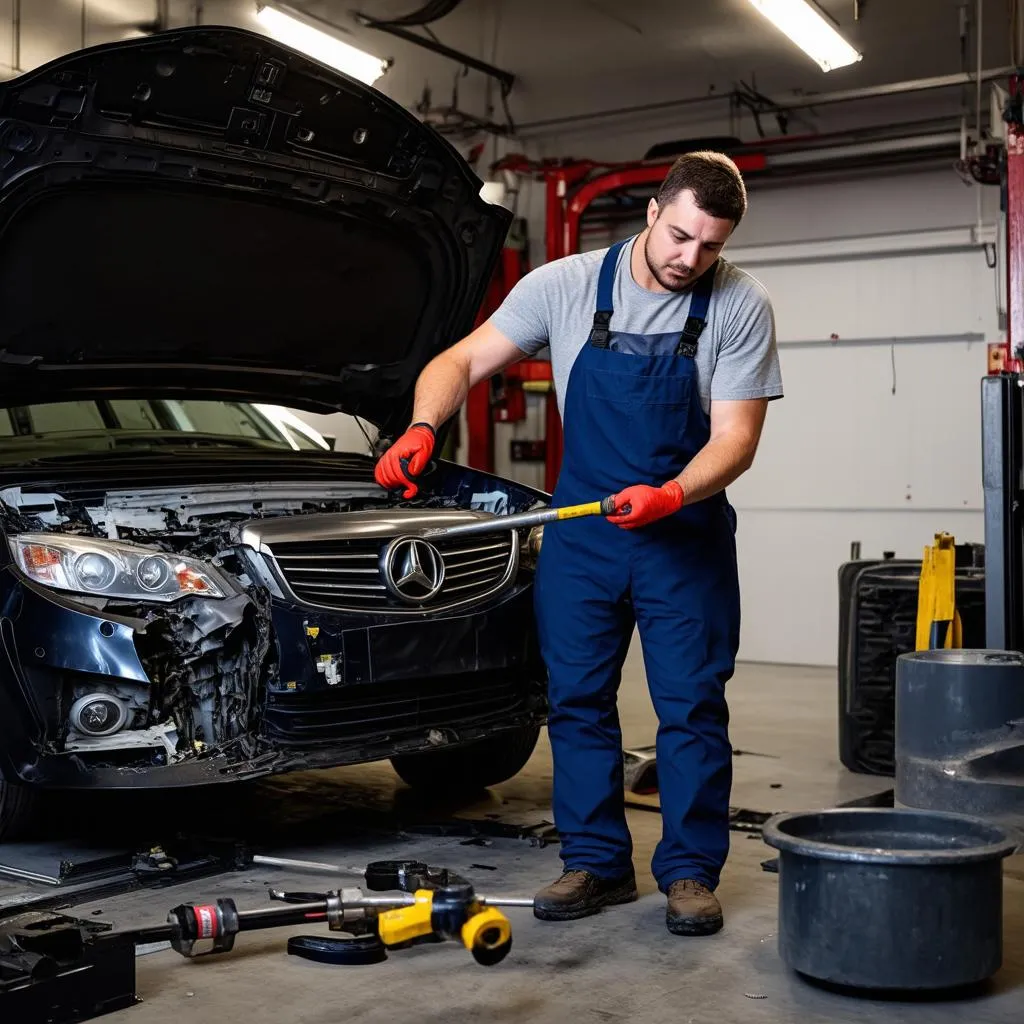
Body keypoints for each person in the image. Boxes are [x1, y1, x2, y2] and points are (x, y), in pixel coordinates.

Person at [374, 151, 782, 937]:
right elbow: (460, 361)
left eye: (711, 247)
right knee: (577, 702)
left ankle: (690, 871)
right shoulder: (563, 285)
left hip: (684, 535)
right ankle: (595, 862)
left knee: (691, 707)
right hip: (583, 533)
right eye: (682, 238)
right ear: (654, 212)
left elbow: (737, 437)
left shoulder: (740, 302)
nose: (691, 260)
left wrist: (670, 494)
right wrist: (424, 423)